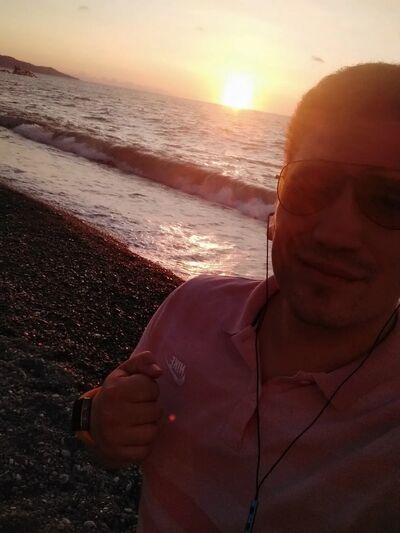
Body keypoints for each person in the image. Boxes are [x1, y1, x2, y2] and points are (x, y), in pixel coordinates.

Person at [72, 63, 400, 532]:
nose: (336, 233)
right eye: (312, 186)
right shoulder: (192, 306)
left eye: (390, 201)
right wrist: (98, 419)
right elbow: (97, 428)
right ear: (277, 207)